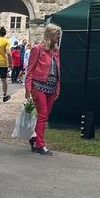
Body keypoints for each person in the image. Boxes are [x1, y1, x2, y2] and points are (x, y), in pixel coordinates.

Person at [25, 24, 62, 156]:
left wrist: (58, 88)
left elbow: (58, 71)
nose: (59, 37)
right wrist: (28, 89)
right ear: (51, 35)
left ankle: (34, 138)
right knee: (42, 115)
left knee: (45, 116)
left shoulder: (56, 51)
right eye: (57, 34)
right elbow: (29, 70)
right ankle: (40, 145)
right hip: (39, 85)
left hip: (51, 88)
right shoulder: (38, 49)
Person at [0, 27, 12, 101]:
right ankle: (5, 95)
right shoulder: (6, 41)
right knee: (4, 80)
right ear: (5, 33)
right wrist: (11, 63)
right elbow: (8, 52)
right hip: (3, 62)